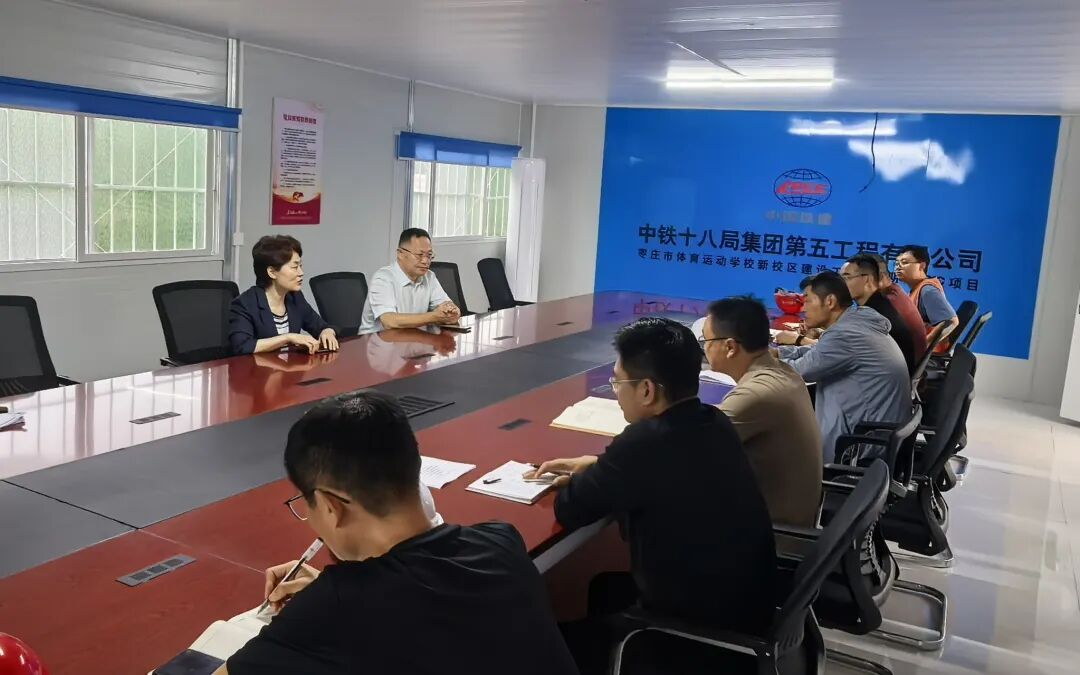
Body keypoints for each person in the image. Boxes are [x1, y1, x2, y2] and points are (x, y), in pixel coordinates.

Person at [220, 391, 578, 675]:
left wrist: (326, 603)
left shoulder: (335, 609)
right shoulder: (501, 542)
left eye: (305, 503)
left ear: (330, 506)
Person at [525, 318, 776, 675]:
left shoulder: (644, 443)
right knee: (604, 590)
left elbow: (571, 508)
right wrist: (598, 465)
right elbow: (670, 466)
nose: (615, 391)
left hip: (693, 635)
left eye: (617, 382)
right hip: (744, 610)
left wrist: (597, 472)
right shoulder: (713, 420)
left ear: (646, 390)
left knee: (543, 645)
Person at [702, 297, 822, 527]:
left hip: (773, 535)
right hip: (788, 519)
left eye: (706, 341)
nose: (704, 348)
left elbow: (690, 449)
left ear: (730, 347)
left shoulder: (757, 392)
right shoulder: (783, 372)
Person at [774, 272, 909, 463]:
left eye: (807, 300)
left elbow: (799, 371)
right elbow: (818, 353)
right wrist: (779, 353)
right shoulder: (855, 321)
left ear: (830, 301)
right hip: (875, 430)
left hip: (861, 446)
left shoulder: (845, 334)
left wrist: (757, 360)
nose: (803, 308)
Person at [229, 235, 339, 355]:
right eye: (294, 267)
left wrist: (327, 332)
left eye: (300, 266)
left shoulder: (295, 297)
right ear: (272, 272)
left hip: (290, 365)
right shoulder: (245, 303)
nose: (301, 273)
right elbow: (242, 346)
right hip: (257, 366)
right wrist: (288, 338)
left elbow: (320, 326)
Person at [358, 228, 461, 334]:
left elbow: (445, 305)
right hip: (375, 341)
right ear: (400, 254)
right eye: (419, 255)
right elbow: (389, 321)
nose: (425, 261)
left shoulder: (429, 276)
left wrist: (452, 312)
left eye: (429, 255)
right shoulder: (383, 278)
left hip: (412, 339)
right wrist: (434, 317)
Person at [842, 254, 924, 374]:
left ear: (869, 279)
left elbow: (840, 351)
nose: (841, 284)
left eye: (846, 277)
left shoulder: (874, 313)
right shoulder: (886, 299)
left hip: (887, 377)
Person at [865, 251, 927, 362]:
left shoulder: (883, 304)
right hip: (909, 362)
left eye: (849, 277)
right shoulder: (893, 291)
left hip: (903, 366)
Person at [895, 245, 959, 337]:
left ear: (922, 266)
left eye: (904, 262)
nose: (898, 267)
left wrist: (926, 343)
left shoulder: (928, 290)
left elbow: (951, 321)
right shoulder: (916, 289)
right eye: (897, 263)